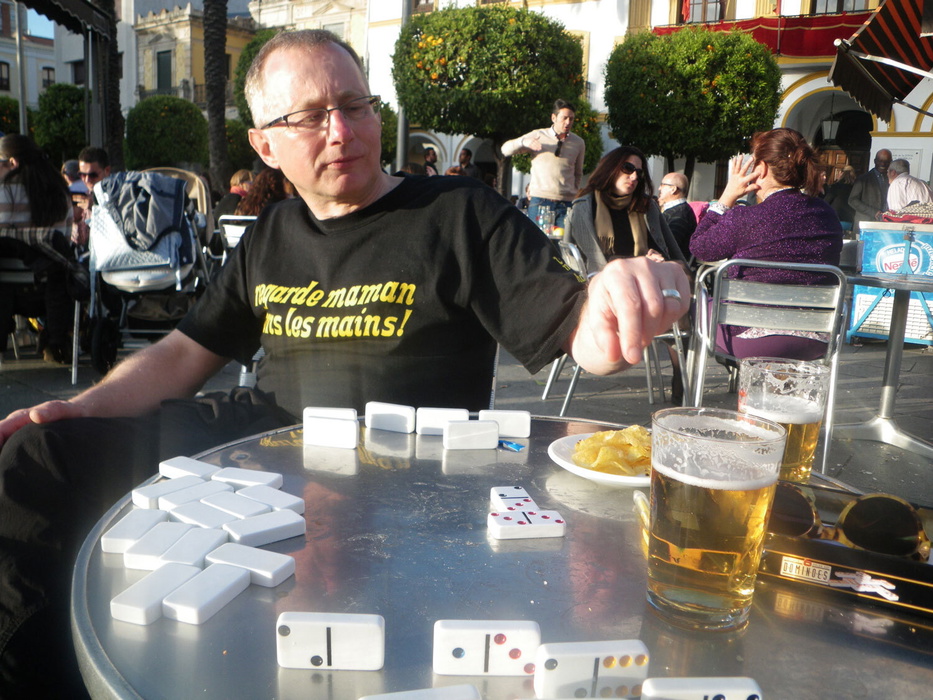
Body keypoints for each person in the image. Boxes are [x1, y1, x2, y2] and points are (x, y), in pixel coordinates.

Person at [0, 29, 688, 696]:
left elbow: (577, 326)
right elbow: (184, 352)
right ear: (264, 145)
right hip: (261, 442)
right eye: (309, 117)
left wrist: (622, 301)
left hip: (409, 469)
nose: (342, 131)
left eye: (355, 106)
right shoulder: (270, 233)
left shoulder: (458, 213)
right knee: (36, 456)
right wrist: (80, 407)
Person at [690, 127, 843, 360]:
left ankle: (695, 379)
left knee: (697, 302)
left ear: (760, 168)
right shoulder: (828, 215)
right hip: (816, 340)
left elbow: (700, 248)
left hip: (750, 340)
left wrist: (726, 198)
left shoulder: (744, 218)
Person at [565, 146, 688, 401]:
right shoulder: (585, 206)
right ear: (611, 168)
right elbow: (591, 262)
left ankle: (681, 375)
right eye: (628, 168)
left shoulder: (646, 206)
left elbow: (674, 253)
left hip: (648, 280)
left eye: (639, 173)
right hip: (603, 287)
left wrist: (660, 260)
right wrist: (639, 261)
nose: (634, 177)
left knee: (679, 292)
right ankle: (683, 374)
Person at [0, 134, 75, 365]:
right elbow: (65, 242)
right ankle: (54, 342)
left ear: (12, 162)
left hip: (6, 289)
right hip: (51, 289)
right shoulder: (60, 191)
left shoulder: (4, 190)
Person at [501, 99, 585, 229]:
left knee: (563, 240)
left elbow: (578, 172)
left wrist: (572, 192)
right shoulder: (538, 135)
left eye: (571, 119)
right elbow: (505, 149)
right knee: (537, 240)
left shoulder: (578, 142)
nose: (568, 122)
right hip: (540, 201)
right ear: (554, 118)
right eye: (564, 118)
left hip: (566, 203)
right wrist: (524, 142)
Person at [656, 172, 697, 263]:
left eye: (662, 185)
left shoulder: (680, 214)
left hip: (672, 266)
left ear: (673, 189)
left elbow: (669, 247)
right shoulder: (679, 210)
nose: (659, 188)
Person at [848, 148, 891, 227]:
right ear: (875, 161)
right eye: (880, 161)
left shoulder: (892, 179)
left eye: (886, 161)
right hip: (865, 223)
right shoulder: (863, 179)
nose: (883, 164)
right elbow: (852, 200)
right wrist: (873, 212)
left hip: (884, 224)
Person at [823, 164, 856, 229]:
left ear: (841, 173)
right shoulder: (855, 187)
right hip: (849, 220)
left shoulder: (836, 186)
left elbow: (826, 202)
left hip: (835, 219)